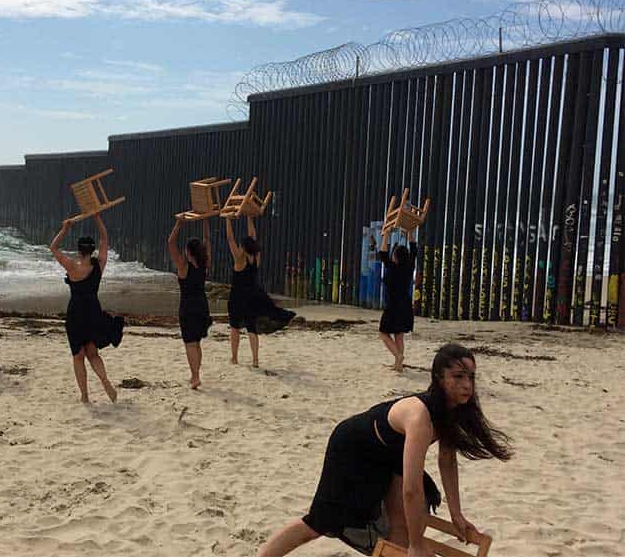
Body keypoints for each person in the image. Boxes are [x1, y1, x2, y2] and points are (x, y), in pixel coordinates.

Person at [256, 344, 513, 557]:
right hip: (354, 449)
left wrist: (457, 514)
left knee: (401, 529)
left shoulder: (451, 411)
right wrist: (417, 545)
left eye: (471, 377)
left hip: (389, 456)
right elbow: (411, 490)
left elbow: (447, 460)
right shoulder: (419, 417)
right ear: (438, 378)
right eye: (458, 376)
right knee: (319, 523)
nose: (467, 385)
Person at [50, 214, 124, 403]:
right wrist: (98, 216)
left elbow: (54, 248)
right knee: (93, 353)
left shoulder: (72, 266)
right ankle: (105, 381)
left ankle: (84, 395)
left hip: (75, 312)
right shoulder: (99, 265)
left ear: (78, 250)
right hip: (93, 310)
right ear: (92, 250)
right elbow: (104, 239)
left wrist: (65, 229)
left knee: (78, 356)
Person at [225, 215, 295, 367]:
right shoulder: (256, 257)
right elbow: (253, 237)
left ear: (242, 247)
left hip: (237, 297)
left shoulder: (239, 259)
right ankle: (255, 360)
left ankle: (235, 358)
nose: (238, 245)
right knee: (251, 328)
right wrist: (249, 217)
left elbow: (230, 239)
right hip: (253, 297)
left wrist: (227, 219)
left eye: (240, 245)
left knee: (235, 328)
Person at [168, 218, 213, 389]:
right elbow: (207, 240)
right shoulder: (204, 264)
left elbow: (171, 242)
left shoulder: (183, 266)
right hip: (202, 306)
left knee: (190, 343)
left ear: (188, 252)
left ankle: (195, 376)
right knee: (197, 342)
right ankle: (195, 374)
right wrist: (205, 220)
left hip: (188, 308)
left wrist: (178, 224)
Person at [378, 227, 417, 372]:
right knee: (399, 335)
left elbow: (382, 254)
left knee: (383, 333)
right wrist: (410, 234)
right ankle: (398, 365)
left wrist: (386, 235)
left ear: (396, 257)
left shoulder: (392, 267)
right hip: (406, 305)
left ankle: (398, 356)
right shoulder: (409, 267)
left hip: (393, 305)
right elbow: (414, 250)